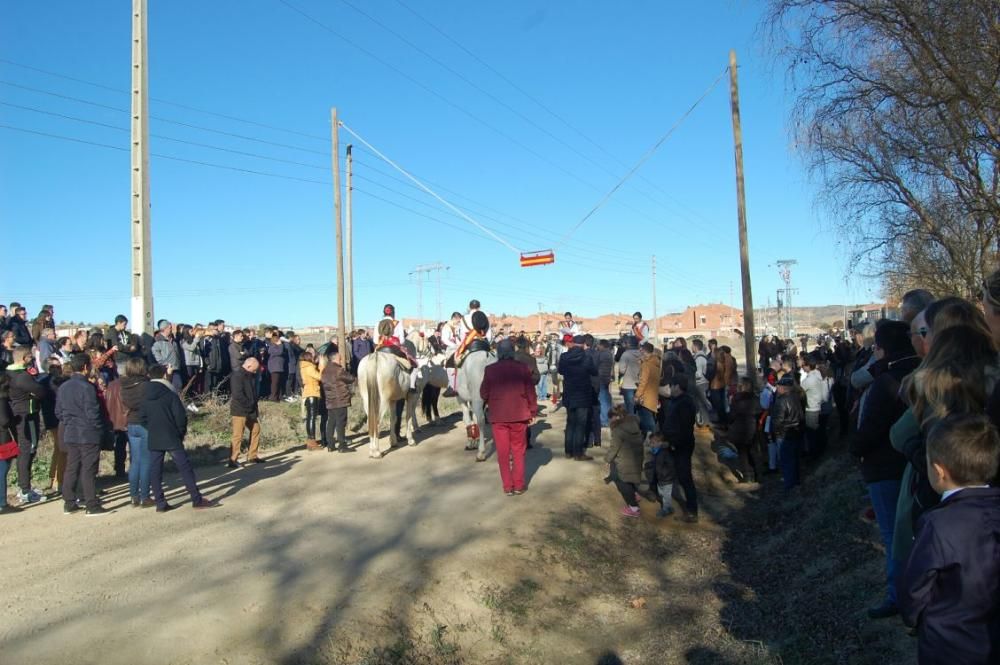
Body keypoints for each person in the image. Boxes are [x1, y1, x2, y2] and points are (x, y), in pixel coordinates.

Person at [899, 414, 1000, 665]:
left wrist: (912, 619)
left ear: (938, 471)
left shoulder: (937, 524)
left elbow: (916, 586)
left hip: (949, 645)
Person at [848, 320, 920, 619]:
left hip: (885, 468)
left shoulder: (887, 382)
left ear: (883, 349)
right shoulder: (916, 372)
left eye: (875, 347)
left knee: (894, 538)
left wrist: (855, 449)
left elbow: (872, 428)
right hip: (907, 464)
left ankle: (899, 598)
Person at [143, 364, 216, 512]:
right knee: (185, 468)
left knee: (155, 470)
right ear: (164, 375)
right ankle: (196, 499)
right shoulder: (170, 394)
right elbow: (180, 417)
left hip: (154, 436)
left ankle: (160, 502)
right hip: (171, 436)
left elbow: (142, 418)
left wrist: (151, 428)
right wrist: (180, 433)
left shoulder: (144, 396)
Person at [480, 339, 537, 495]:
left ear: (498, 353)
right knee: (519, 451)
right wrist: (533, 410)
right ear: (512, 352)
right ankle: (519, 485)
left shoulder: (490, 370)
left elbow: (483, 393)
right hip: (519, 414)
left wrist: (489, 399)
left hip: (498, 416)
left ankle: (507, 486)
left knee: (503, 452)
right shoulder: (523, 368)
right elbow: (530, 391)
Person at [56, 353, 110, 516]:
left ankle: (69, 502)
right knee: (88, 469)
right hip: (88, 433)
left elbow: (58, 412)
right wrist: (99, 428)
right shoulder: (87, 387)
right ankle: (91, 504)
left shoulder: (63, 387)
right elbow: (93, 413)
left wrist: (69, 420)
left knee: (72, 468)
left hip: (71, 432)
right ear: (86, 367)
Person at [7, 345, 48, 504]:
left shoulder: (8, 373)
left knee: (25, 450)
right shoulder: (22, 376)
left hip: (17, 414)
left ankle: (25, 487)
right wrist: (34, 393)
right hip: (27, 415)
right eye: (30, 357)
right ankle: (25, 490)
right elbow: (41, 391)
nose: (32, 360)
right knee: (27, 450)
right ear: (24, 359)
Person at [660, 375, 698, 522]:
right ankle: (667, 504)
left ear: (678, 387)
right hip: (673, 442)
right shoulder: (676, 401)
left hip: (681, 445)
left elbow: (684, 428)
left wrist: (673, 443)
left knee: (685, 477)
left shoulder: (685, 403)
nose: (669, 389)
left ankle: (692, 511)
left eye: (671, 386)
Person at [119, 356, 153, 507]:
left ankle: (134, 495)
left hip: (131, 423)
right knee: (146, 461)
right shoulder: (145, 386)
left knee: (135, 462)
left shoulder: (124, 386)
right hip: (144, 423)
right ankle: (145, 496)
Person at [558, 335, 596, 461]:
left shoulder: (564, 357)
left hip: (569, 393)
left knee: (570, 423)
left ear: (573, 343)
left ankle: (568, 451)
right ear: (583, 344)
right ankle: (578, 453)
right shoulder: (587, 357)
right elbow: (594, 372)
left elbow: (561, 371)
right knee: (580, 424)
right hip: (583, 394)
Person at [605, 404, 644, 517]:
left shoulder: (618, 430)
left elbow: (614, 448)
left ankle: (634, 508)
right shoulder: (634, 423)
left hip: (624, 459)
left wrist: (607, 459)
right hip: (636, 457)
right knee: (631, 476)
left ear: (615, 417)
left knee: (621, 481)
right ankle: (635, 494)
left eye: (610, 418)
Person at [771, 374, 804, 491]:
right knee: (795, 460)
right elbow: (800, 415)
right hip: (796, 432)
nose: (777, 388)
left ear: (784, 388)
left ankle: (789, 486)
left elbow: (777, 421)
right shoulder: (796, 397)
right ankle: (796, 482)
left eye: (778, 386)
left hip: (784, 435)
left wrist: (775, 433)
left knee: (786, 461)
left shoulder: (781, 401)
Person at [229, 357, 263, 467]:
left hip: (251, 409)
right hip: (240, 410)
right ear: (248, 366)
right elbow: (237, 395)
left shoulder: (251, 376)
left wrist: (253, 406)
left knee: (256, 429)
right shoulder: (237, 376)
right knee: (238, 435)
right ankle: (233, 459)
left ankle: (252, 456)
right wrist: (249, 404)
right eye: (254, 369)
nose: (255, 371)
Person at [320, 344, 355, 452]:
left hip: (330, 400)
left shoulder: (324, 370)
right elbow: (350, 378)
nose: (341, 360)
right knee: (341, 422)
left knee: (331, 422)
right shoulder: (338, 370)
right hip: (340, 399)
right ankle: (342, 445)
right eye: (340, 358)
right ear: (335, 359)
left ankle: (330, 445)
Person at [727, 376, 761, 483]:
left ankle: (747, 476)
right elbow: (758, 412)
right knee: (752, 452)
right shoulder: (755, 398)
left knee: (742, 454)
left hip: (738, 429)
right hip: (752, 429)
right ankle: (756, 474)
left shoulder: (736, 399)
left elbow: (731, 416)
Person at [0, 370, 20, 514]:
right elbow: (4, 420)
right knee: (2, 471)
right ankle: (2, 502)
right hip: (3, 440)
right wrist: (16, 419)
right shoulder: (2, 399)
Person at [298, 349, 324, 450]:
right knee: (312, 418)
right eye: (312, 357)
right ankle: (312, 441)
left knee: (310, 417)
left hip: (309, 393)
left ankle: (311, 440)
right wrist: (321, 366)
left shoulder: (305, 367)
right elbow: (319, 377)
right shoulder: (309, 367)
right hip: (312, 393)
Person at [635, 342, 661, 435]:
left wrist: (637, 395)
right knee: (650, 419)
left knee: (648, 421)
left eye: (641, 351)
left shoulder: (646, 365)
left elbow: (643, 382)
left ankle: (653, 440)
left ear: (644, 351)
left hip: (645, 397)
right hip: (654, 394)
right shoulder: (657, 362)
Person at [617, 335, 641, 414]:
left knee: (630, 407)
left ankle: (631, 423)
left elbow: (622, 370)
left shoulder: (625, 354)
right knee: (640, 407)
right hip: (641, 383)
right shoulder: (642, 354)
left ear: (628, 344)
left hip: (628, 384)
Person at [266, 330, 286, 402]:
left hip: (279, 367)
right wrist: (280, 345)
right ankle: (273, 397)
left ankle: (279, 396)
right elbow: (279, 352)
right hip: (275, 367)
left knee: (279, 383)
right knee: (275, 383)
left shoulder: (278, 346)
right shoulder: (272, 346)